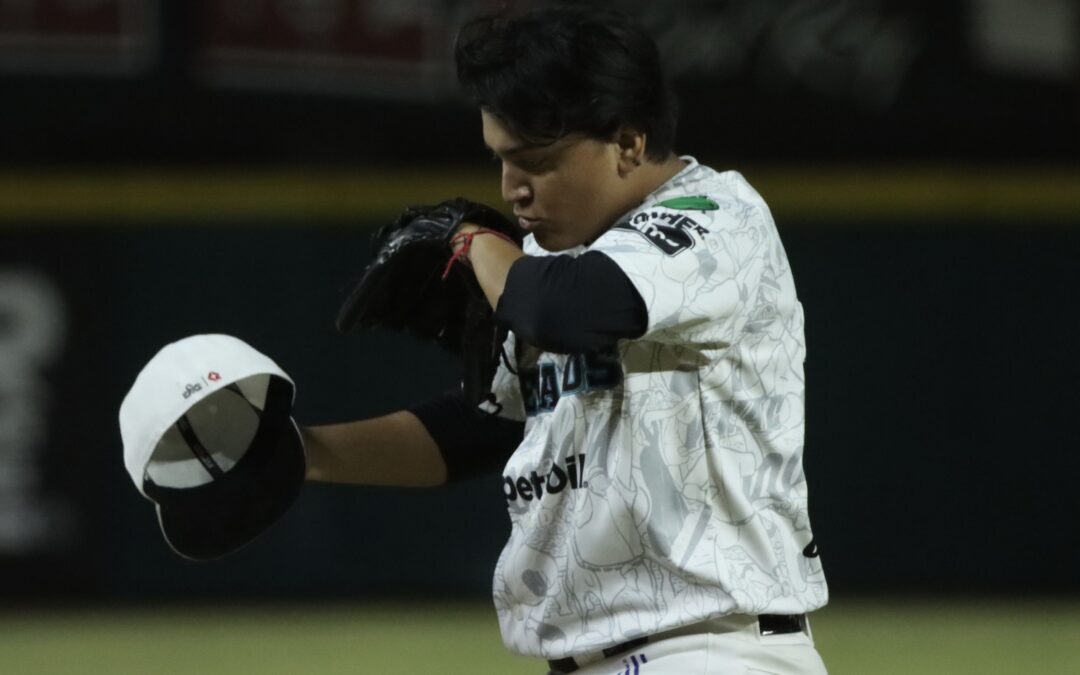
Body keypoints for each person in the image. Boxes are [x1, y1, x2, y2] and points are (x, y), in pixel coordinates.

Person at [302, 6, 828, 674]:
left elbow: (563, 310)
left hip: (708, 648)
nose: (512, 190)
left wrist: (472, 242)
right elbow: (483, 426)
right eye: (500, 160)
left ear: (630, 142)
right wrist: (303, 456)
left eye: (538, 162)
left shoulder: (716, 216)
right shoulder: (556, 266)